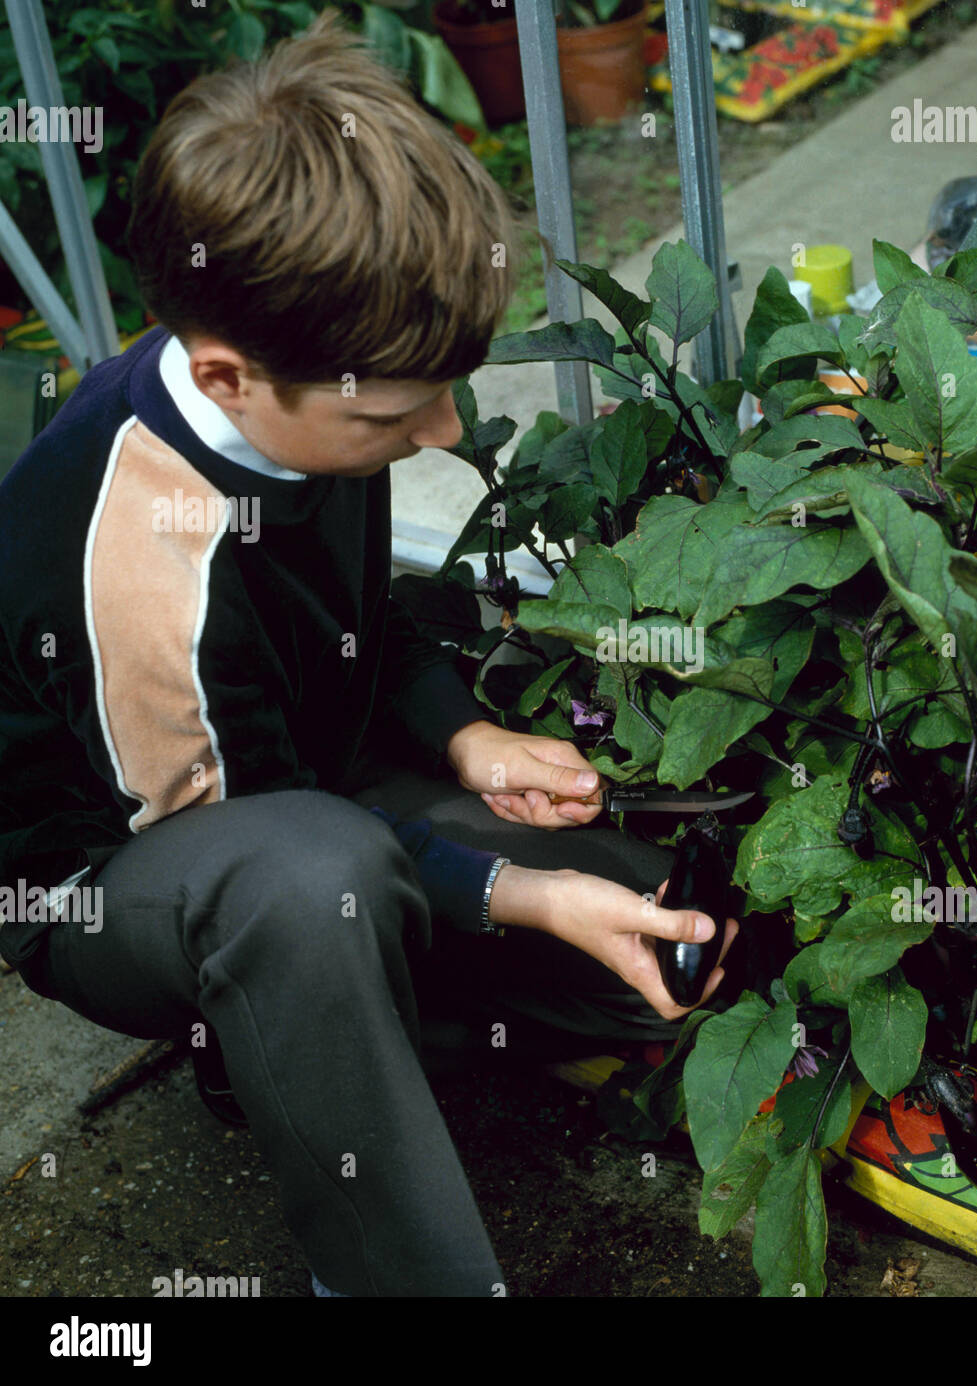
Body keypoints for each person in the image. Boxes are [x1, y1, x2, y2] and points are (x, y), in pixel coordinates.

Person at [0, 12, 738, 1297]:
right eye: (401, 414)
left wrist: (468, 735)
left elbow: (369, 612)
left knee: (665, 946)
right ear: (231, 377)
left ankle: (334, 1035)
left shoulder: (301, 387)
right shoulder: (141, 562)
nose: (446, 432)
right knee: (309, 891)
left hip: (309, 776)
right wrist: (517, 896)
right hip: (136, 880)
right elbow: (250, 843)